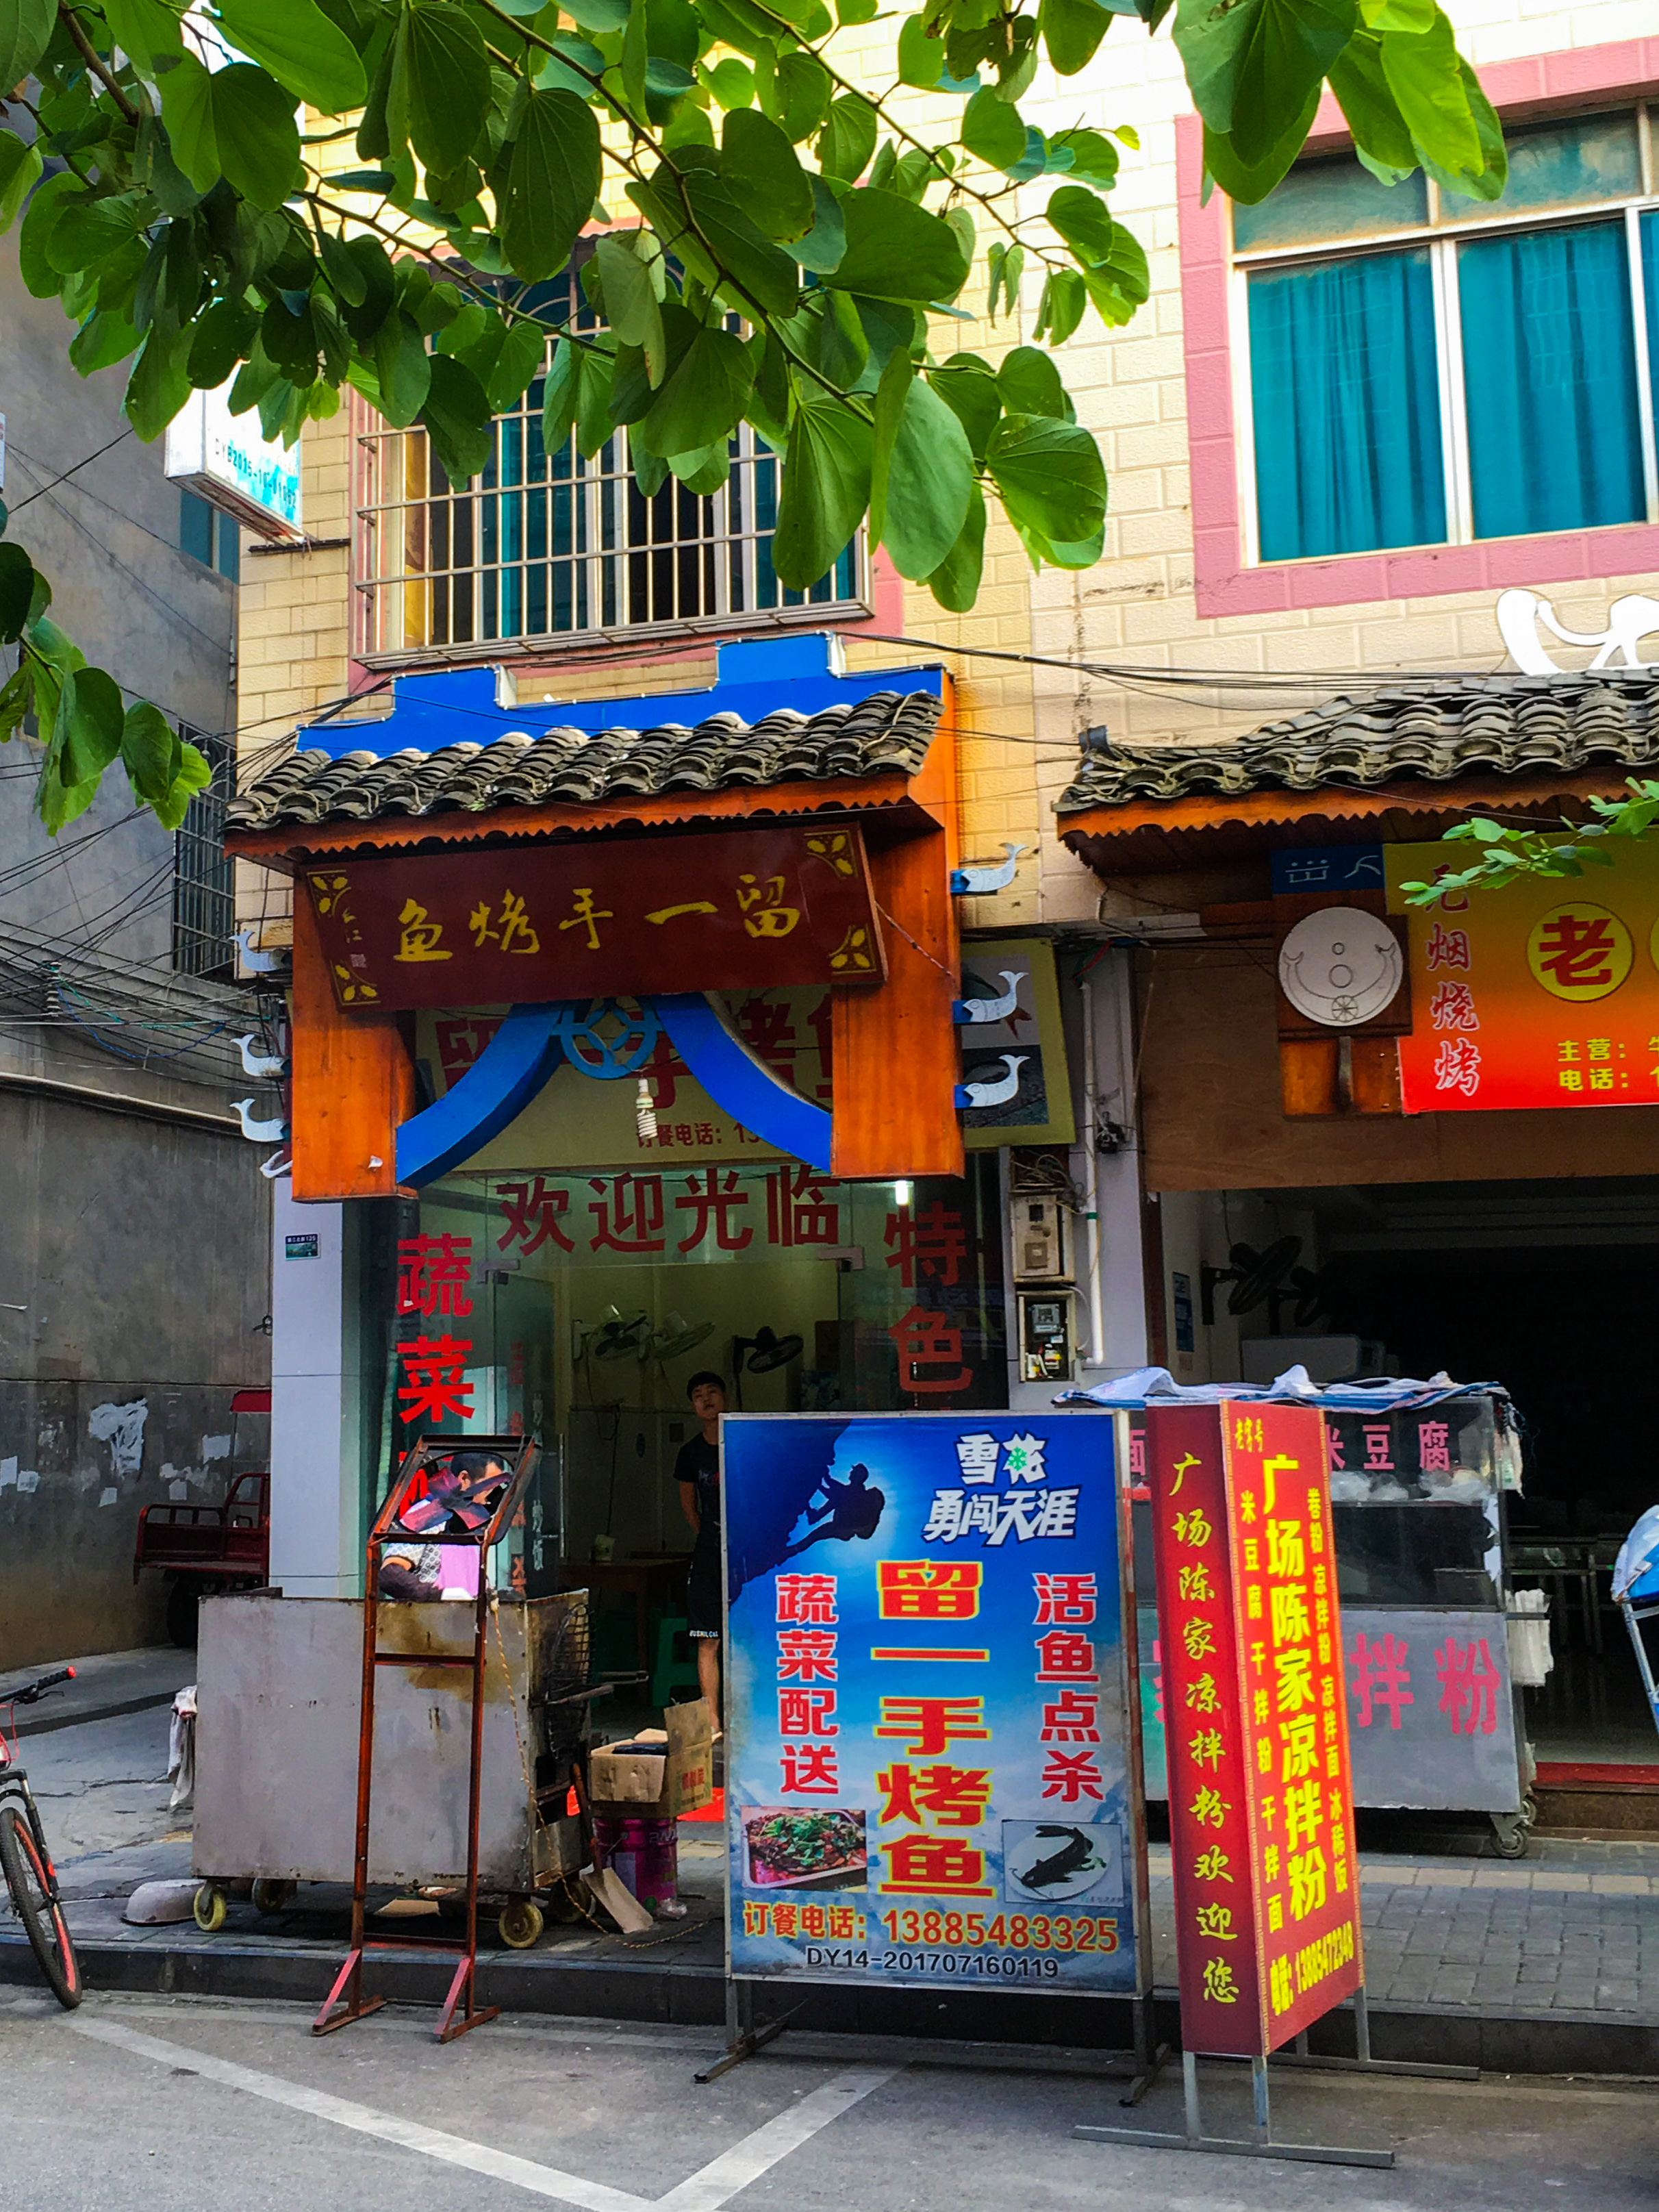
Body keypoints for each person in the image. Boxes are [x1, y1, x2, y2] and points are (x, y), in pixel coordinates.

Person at [674, 1371, 726, 1735]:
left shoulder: (742, 1442)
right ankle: (712, 1720)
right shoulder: (690, 1453)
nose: (705, 1400)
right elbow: (689, 1508)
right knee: (708, 1639)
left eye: (711, 1393)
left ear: (725, 1398)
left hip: (748, 1552)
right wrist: (711, 1537)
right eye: (697, 1395)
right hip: (709, 1552)